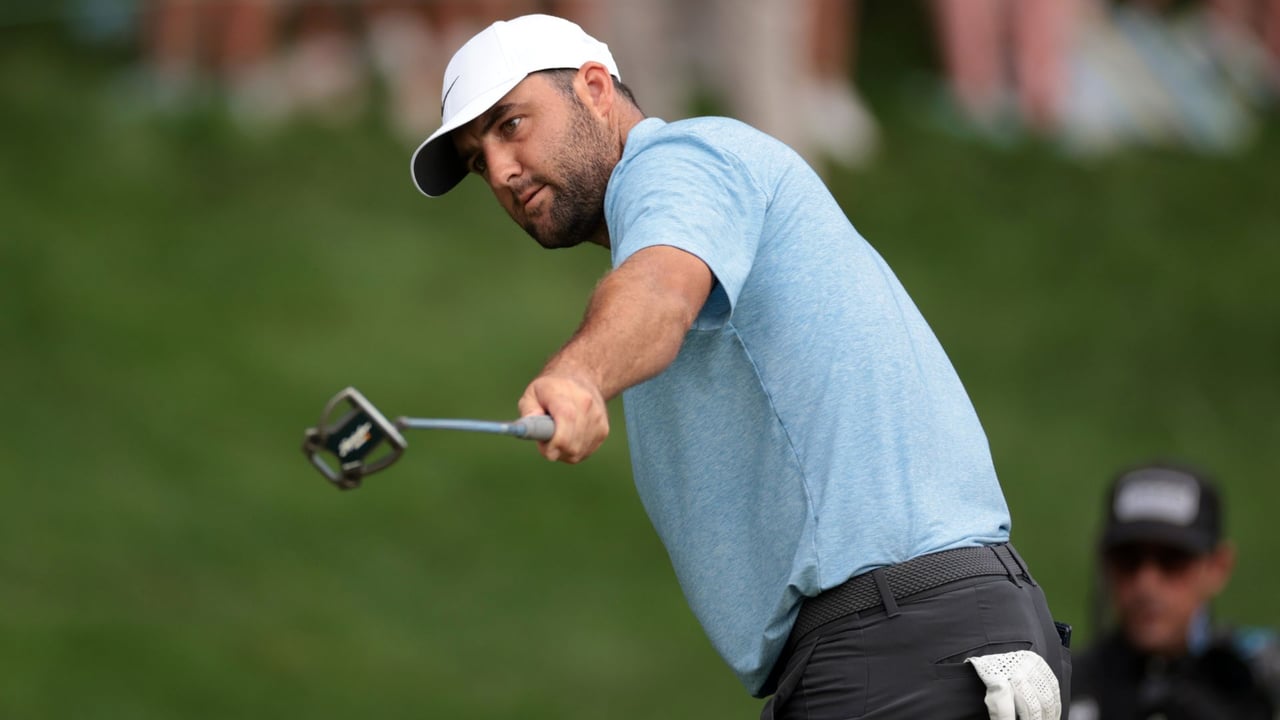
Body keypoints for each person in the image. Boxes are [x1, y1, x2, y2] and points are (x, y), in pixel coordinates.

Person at [409, 14, 1071, 718]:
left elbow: (659, 290)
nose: (503, 171)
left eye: (512, 124)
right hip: (933, 634)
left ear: (596, 87)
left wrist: (577, 375)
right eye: (480, 159)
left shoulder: (683, 160)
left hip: (894, 642)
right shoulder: (680, 201)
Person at [1070, 462, 1280, 720]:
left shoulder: (1259, 686)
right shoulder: (1060, 687)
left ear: (1218, 567)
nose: (1146, 584)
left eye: (1173, 560)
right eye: (1128, 559)